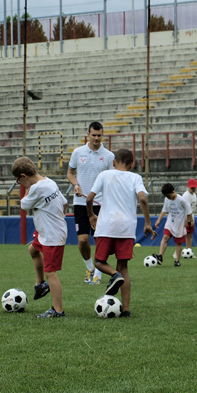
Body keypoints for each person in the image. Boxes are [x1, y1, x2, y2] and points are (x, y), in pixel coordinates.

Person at [86, 149, 157, 317]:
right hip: (126, 228)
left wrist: (91, 215)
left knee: (99, 261)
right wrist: (147, 223)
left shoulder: (104, 175)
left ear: (113, 162)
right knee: (123, 266)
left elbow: (89, 199)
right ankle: (126, 309)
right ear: (132, 164)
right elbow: (143, 199)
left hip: (106, 225)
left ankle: (113, 275)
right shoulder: (135, 178)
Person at [12, 157, 68, 318]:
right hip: (47, 232)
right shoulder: (49, 182)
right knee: (33, 249)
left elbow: (23, 205)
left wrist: (28, 190)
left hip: (52, 235)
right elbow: (64, 203)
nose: (21, 185)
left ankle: (58, 310)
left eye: (19, 181)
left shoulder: (36, 188)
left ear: (23, 176)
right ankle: (40, 284)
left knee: (51, 272)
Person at [67, 121, 115, 285]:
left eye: (99, 135)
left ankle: (99, 274)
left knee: (99, 240)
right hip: (80, 202)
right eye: (93, 135)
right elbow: (70, 173)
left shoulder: (109, 156)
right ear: (88, 134)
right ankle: (89, 268)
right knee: (82, 241)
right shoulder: (78, 152)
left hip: (100, 204)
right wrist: (76, 185)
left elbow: (111, 180)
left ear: (103, 135)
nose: (96, 138)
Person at [154, 183, 192, 267]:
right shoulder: (167, 199)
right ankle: (160, 256)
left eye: (168, 195)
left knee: (178, 243)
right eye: (166, 196)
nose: (167, 198)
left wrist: (188, 221)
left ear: (173, 192)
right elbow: (164, 209)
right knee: (165, 237)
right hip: (170, 222)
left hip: (179, 224)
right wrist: (159, 220)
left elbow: (189, 211)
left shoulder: (181, 200)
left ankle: (177, 261)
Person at [178, 178, 197, 259]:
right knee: (182, 235)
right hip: (185, 218)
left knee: (189, 235)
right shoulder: (186, 195)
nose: (193, 189)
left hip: (190, 217)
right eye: (192, 188)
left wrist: (192, 219)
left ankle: (189, 251)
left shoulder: (194, 195)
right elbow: (186, 209)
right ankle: (178, 252)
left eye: (194, 188)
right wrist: (188, 220)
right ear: (187, 186)